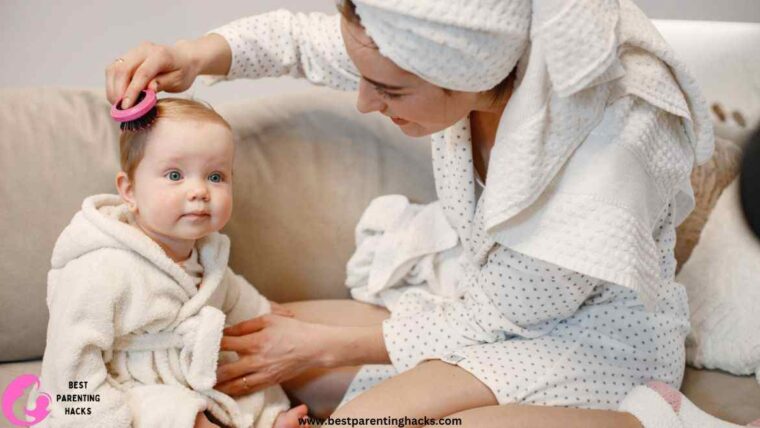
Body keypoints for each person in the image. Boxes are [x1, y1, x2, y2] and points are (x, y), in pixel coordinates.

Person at [104, 1, 727, 426]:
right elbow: (300, 41)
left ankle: (646, 415)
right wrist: (194, 54)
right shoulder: (437, 39)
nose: (365, 102)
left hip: (591, 345)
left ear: (468, 74)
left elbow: (511, 314)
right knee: (245, 342)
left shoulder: (608, 143)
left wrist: (322, 348)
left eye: (391, 91)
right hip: (479, 316)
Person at [39, 98, 309, 428]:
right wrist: (98, 416)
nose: (199, 191)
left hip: (189, 370)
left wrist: (263, 312)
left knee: (254, 384)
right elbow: (71, 357)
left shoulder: (208, 256)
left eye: (215, 176)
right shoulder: (100, 268)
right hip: (123, 386)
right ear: (129, 190)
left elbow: (231, 293)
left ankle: (272, 420)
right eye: (175, 174)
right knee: (172, 413)